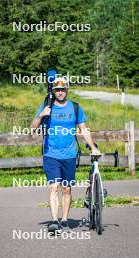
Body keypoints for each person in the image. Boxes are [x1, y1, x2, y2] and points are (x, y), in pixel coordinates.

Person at [30, 76, 100, 234]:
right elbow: (32, 128)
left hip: (69, 155)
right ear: (53, 91)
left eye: (63, 89)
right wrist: (41, 115)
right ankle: (54, 221)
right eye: (57, 90)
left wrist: (92, 147)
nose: (60, 92)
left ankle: (64, 220)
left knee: (67, 189)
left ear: (67, 90)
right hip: (51, 154)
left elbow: (83, 129)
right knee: (54, 187)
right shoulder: (46, 106)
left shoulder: (75, 107)